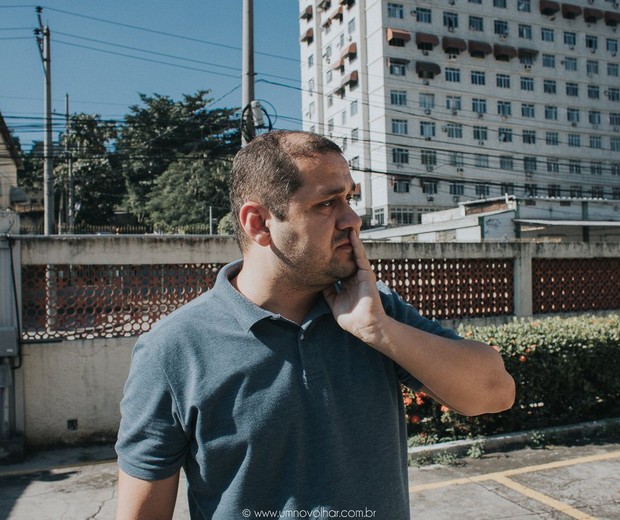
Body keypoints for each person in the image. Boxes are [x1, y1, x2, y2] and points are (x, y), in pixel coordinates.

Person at [115, 130, 515, 520]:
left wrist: (380, 331)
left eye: (350, 199)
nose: (353, 220)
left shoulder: (374, 309)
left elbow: (495, 393)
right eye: (327, 204)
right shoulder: (174, 350)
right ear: (259, 223)